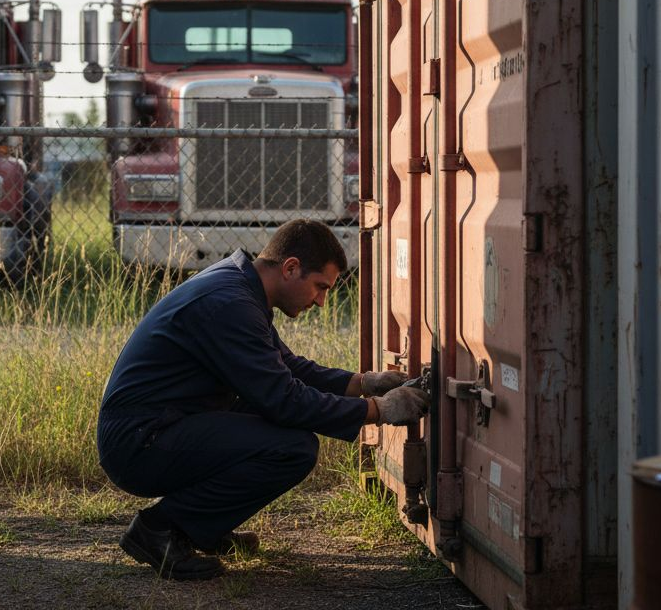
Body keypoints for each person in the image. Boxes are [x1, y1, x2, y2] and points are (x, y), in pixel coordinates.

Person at [95, 219, 430, 580]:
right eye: (320, 287)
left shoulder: (238, 287)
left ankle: (201, 526)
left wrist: (364, 382)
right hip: (139, 443)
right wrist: (380, 410)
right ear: (290, 268)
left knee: (275, 427)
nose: (321, 301)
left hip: (164, 423)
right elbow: (284, 399)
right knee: (292, 448)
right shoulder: (230, 304)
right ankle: (160, 529)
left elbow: (286, 367)